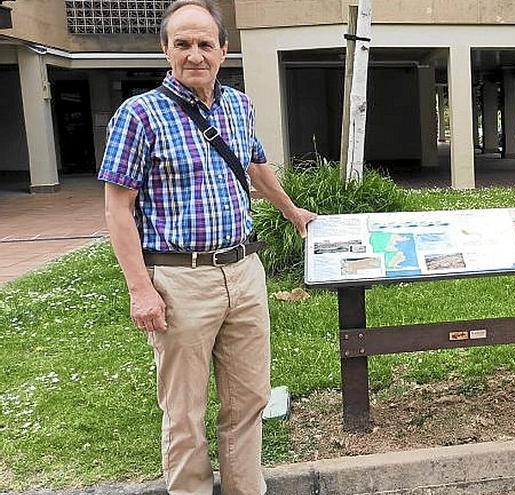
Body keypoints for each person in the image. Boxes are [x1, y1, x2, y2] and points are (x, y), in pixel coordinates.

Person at [99, 1, 316, 493]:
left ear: (223, 49)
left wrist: (291, 210)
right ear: (165, 50)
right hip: (179, 280)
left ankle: (246, 488)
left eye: (204, 44)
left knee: (248, 400)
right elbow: (117, 209)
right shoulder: (138, 115)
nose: (194, 55)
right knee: (184, 412)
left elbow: (255, 165)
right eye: (182, 44)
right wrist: (141, 290)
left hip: (243, 270)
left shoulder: (239, 105)